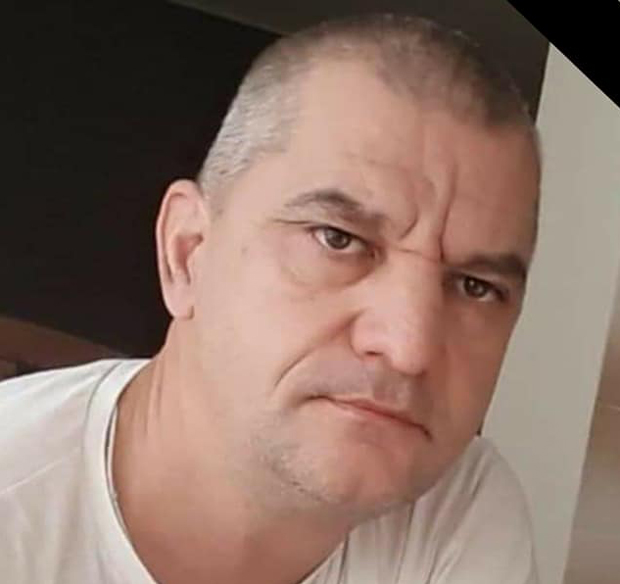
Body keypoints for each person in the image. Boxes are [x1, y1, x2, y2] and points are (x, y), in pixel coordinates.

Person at [0, 13, 541, 584]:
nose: (409, 348)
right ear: (188, 252)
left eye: (477, 287)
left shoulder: (458, 511)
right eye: (338, 239)